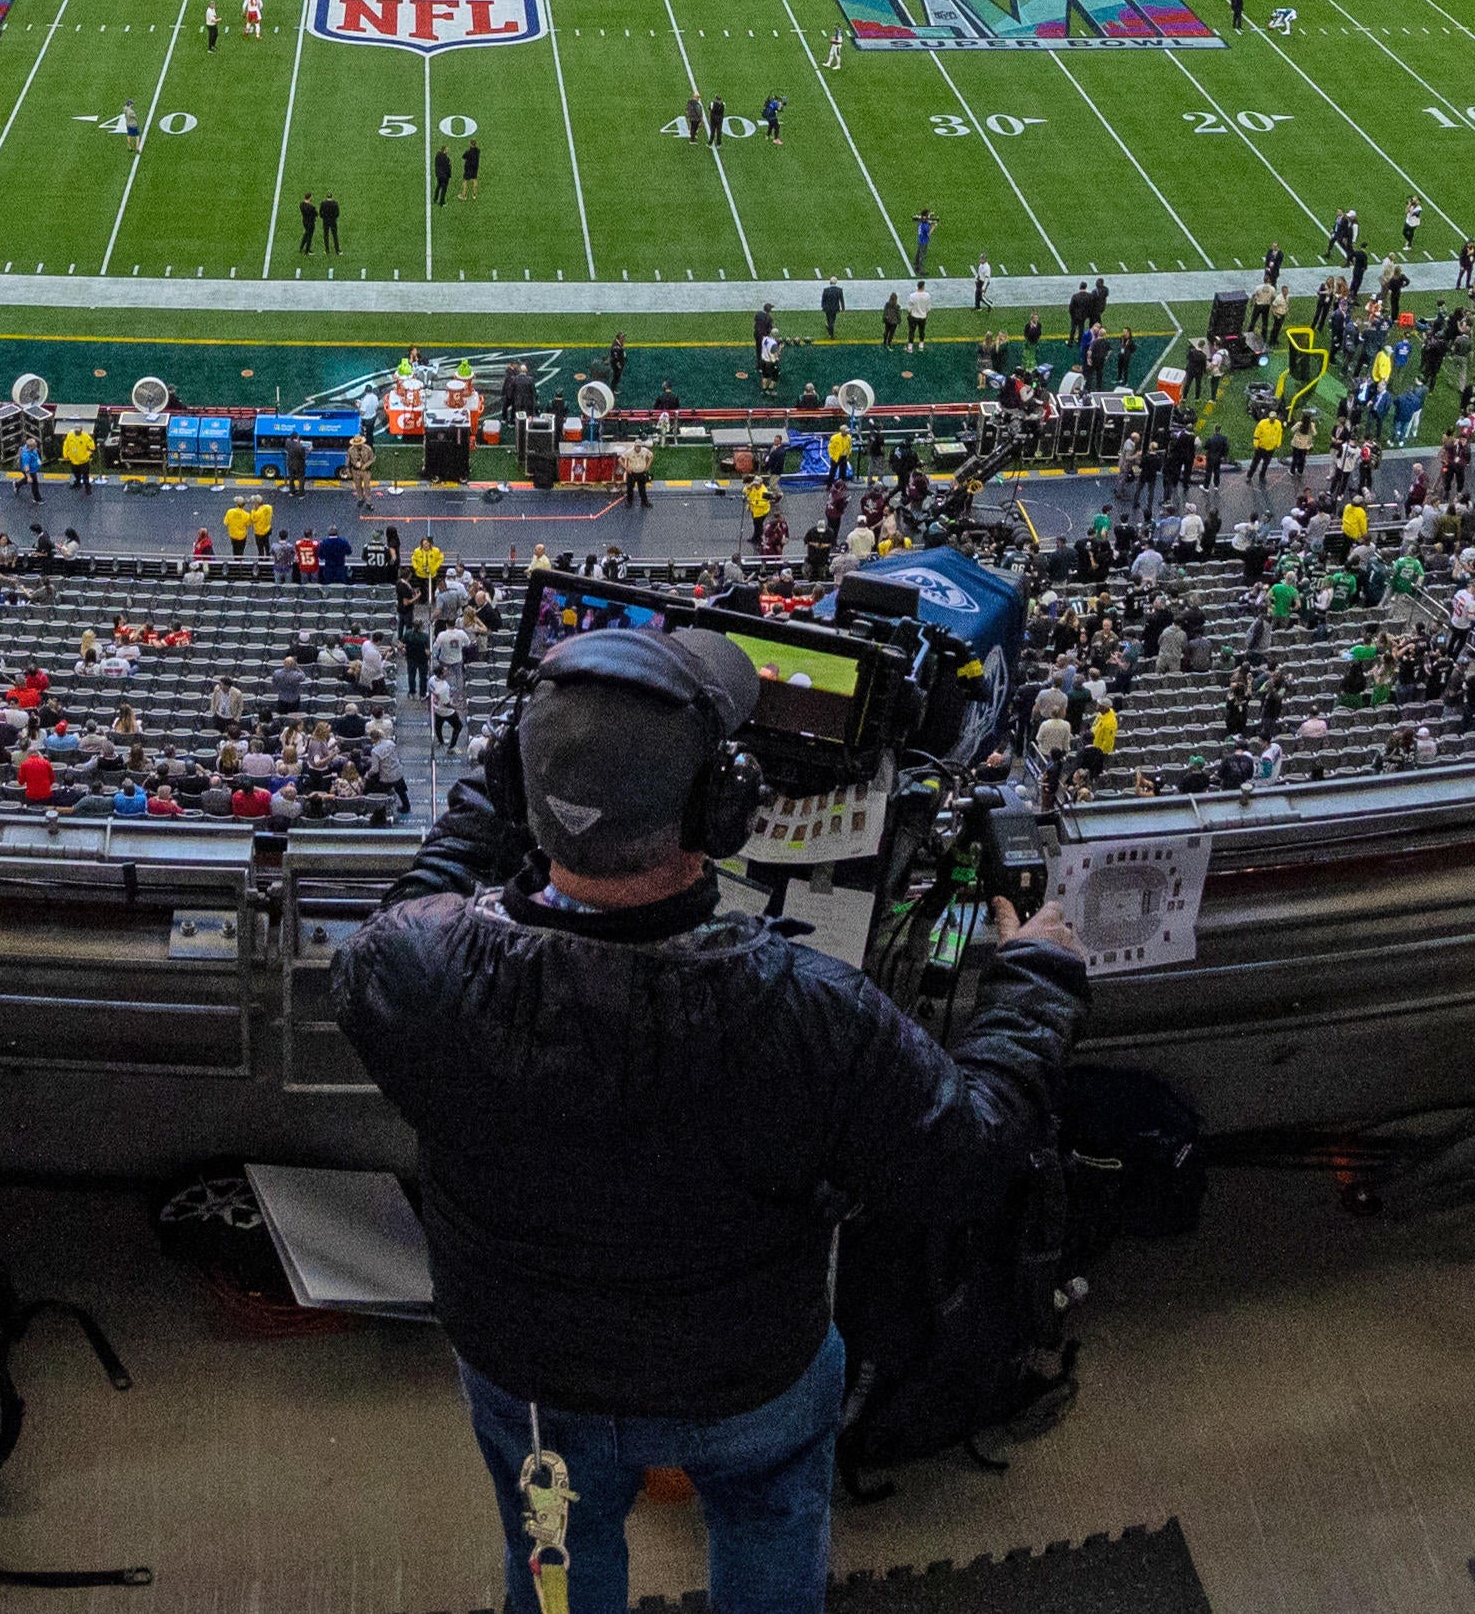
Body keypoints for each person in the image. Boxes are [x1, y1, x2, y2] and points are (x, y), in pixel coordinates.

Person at [334, 624, 1087, 1614]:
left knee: (554, 1564)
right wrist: (1036, 979)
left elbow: (417, 907)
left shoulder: (410, 970)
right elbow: (970, 1155)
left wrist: (503, 799)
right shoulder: (811, 1013)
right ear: (722, 810)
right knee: (771, 1538)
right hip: (749, 1375)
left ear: (523, 797)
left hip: (525, 1371)